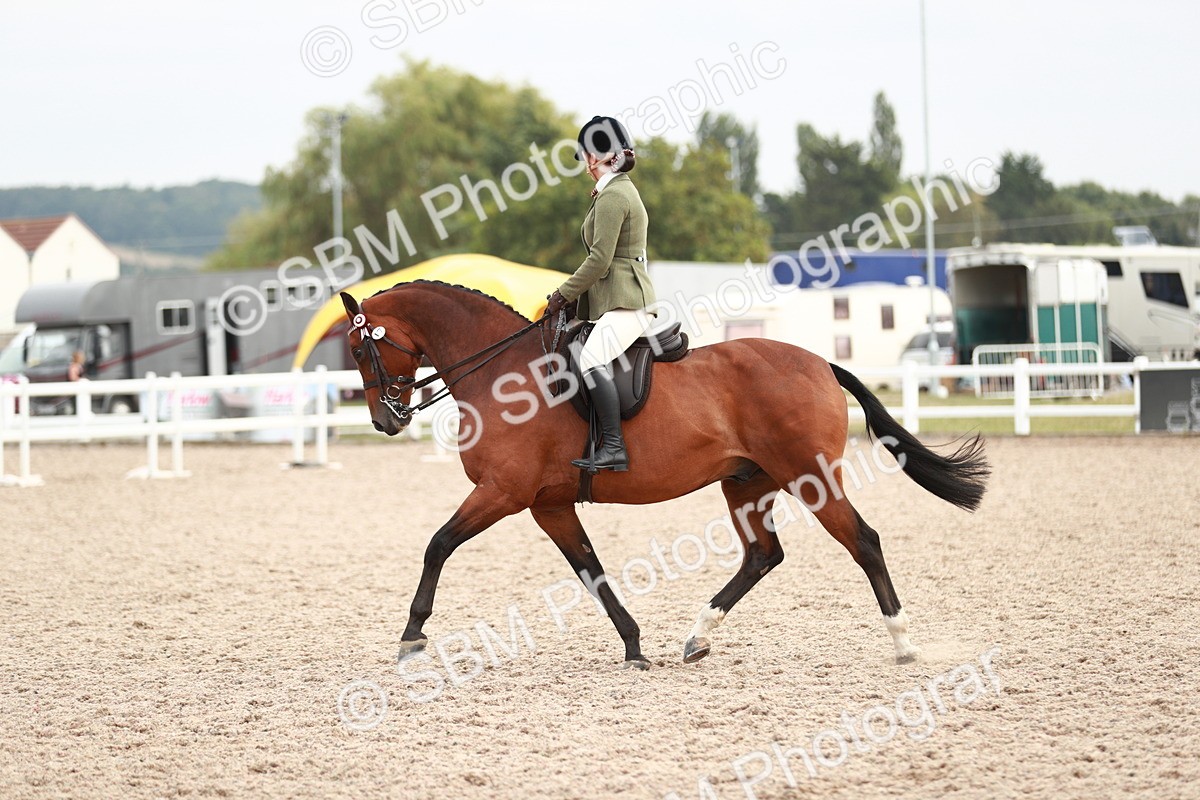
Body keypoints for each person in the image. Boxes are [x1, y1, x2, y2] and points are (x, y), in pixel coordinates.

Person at [545, 116, 657, 472]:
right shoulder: (613, 192)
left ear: (596, 155)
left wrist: (561, 295)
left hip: (627, 300)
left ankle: (613, 446)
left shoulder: (615, 195)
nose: (585, 166)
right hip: (614, 299)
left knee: (591, 359)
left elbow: (599, 260)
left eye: (585, 156)